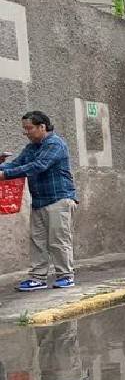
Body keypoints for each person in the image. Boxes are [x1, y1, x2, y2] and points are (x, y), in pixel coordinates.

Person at [0, 111, 79, 291]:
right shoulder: (31, 147)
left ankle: (66, 276)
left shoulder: (55, 144)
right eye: (24, 129)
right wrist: (2, 166)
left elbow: (38, 166)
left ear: (42, 127)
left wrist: (4, 175)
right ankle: (38, 278)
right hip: (39, 201)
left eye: (29, 128)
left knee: (58, 240)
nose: (26, 132)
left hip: (59, 199)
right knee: (37, 241)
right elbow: (16, 164)